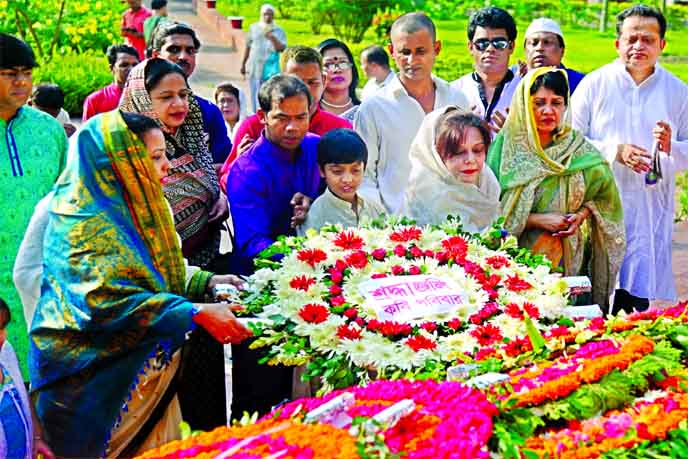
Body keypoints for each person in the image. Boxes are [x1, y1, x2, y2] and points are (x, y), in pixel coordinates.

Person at [28, 109, 251, 458]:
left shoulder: (144, 207)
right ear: (120, 162)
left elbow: (154, 272)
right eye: (156, 157)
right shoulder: (81, 219)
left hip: (149, 374)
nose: (167, 167)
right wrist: (192, 312)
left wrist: (206, 283)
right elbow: (99, 302)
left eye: (166, 155)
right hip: (95, 385)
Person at [572, 5, 688, 312]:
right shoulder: (594, 85)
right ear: (617, 44)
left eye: (648, 39)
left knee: (637, 294)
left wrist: (669, 147)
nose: (639, 46)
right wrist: (614, 151)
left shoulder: (678, 91)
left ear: (662, 45)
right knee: (598, 286)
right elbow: (569, 139)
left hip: (652, 206)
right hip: (601, 203)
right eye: (631, 38)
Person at [488, 68, 625, 308]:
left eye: (556, 102)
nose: (548, 111)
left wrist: (580, 215)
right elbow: (490, 209)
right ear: (523, 104)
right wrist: (538, 220)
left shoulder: (577, 148)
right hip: (518, 261)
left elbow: (604, 196)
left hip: (569, 258)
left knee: (569, 327)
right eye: (539, 102)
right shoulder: (508, 148)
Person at [227, 75, 319, 416]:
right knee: (259, 395)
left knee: (306, 397)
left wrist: (316, 204)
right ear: (263, 116)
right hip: (260, 295)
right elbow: (253, 244)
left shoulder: (316, 148)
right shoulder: (247, 169)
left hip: (313, 292)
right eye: (282, 117)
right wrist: (310, 255)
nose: (293, 127)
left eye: (301, 117)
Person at [354, 12, 470, 214]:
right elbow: (363, 173)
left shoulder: (457, 101)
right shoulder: (373, 107)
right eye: (404, 52)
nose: (411, 60)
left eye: (420, 51)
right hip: (395, 229)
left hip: (454, 224)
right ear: (391, 51)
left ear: (437, 49)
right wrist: (380, 223)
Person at [0, 34, 68, 376]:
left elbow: (68, 200)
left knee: (40, 386)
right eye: (10, 73)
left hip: (40, 281)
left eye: (27, 73)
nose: (22, 81)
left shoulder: (49, 131)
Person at [220, 46, 351, 187]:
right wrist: (240, 166)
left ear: (324, 80)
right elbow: (226, 181)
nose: (305, 90)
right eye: (296, 82)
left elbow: (351, 182)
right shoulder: (254, 126)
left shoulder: (340, 130)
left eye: (312, 82)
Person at [151, 21, 233, 165]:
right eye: (174, 49)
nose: (183, 56)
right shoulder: (138, 106)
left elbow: (224, 165)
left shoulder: (209, 112)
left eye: (190, 51)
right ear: (156, 56)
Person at [404, 109, 500, 231]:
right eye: (458, 152)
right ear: (435, 155)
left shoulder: (488, 182)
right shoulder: (428, 196)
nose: (470, 160)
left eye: (477, 150)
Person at [299, 128, 386, 234]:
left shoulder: (375, 208)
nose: (347, 179)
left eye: (355, 170)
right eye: (337, 171)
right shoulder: (314, 215)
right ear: (322, 171)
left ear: (364, 168)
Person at [0, 298, 54, 459]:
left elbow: (22, 395)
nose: (3, 336)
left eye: (2, 327)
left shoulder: (6, 352)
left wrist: (36, 438)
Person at [452, 7, 521, 132]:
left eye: (499, 43)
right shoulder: (454, 92)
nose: (490, 49)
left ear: (511, 46)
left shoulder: (526, 90)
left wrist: (515, 135)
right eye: (482, 43)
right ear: (470, 47)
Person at [241, 3, 287, 113]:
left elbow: (281, 48)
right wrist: (243, 64)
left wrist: (272, 37)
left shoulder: (278, 31)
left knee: (271, 90)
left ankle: (270, 112)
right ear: (261, 15)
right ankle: (255, 112)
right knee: (255, 90)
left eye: (270, 14)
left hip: (270, 67)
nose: (268, 16)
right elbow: (247, 46)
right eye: (265, 14)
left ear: (273, 16)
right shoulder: (254, 28)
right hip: (255, 66)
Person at [520, 18, 585, 94]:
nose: (539, 48)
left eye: (547, 42)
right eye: (534, 43)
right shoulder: (512, 80)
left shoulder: (579, 84)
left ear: (562, 51)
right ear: (525, 49)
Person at [82, 44, 140, 121]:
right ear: (111, 68)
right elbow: (87, 132)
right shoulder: (95, 100)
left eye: (135, 65)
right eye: (124, 65)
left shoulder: (149, 96)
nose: (131, 69)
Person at [317, 38, 361, 121]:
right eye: (329, 64)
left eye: (343, 63)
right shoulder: (309, 113)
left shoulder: (365, 111)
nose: (337, 70)